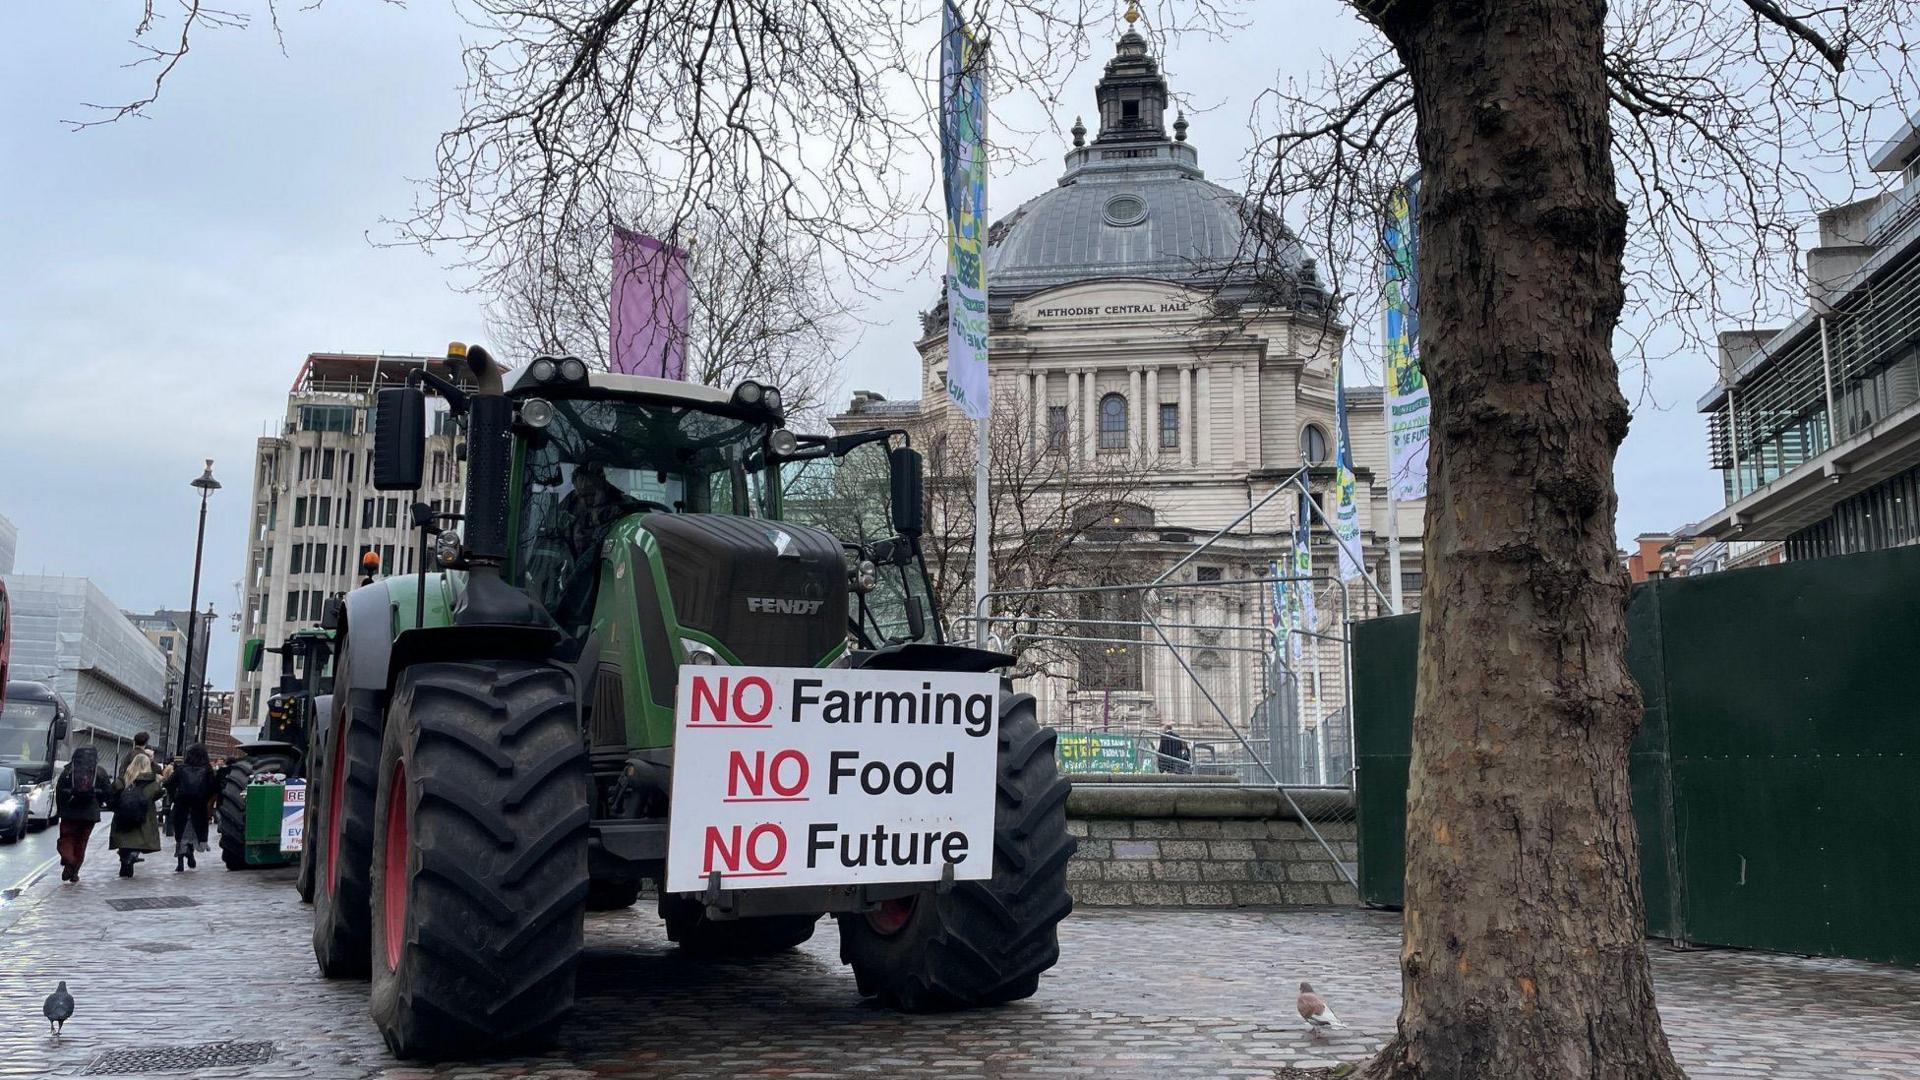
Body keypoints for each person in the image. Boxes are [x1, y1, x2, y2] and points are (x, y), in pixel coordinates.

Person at [54, 746, 112, 882]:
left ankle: (69, 860)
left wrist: (61, 810)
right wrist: (101, 802)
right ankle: (74, 872)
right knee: (81, 842)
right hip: (89, 814)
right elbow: (107, 792)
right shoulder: (99, 771)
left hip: (70, 812)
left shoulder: (69, 770)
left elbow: (59, 791)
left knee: (66, 839)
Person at [109, 747, 169, 878]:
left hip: (123, 817)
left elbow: (113, 795)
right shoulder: (152, 781)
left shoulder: (122, 780)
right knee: (138, 840)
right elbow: (156, 795)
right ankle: (133, 855)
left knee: (125, 842)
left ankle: (126, 862)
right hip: (143, 817)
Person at [163, 744, 216, 871]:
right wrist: (205, 798)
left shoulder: (181, 769)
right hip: (199, 806)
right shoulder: (207, 769)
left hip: (182, 805)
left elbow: (168, 783)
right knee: (194, 831)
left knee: (181, 832)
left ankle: (180, 862)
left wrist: (174, 796)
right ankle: (191, 853)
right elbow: (213, 787)